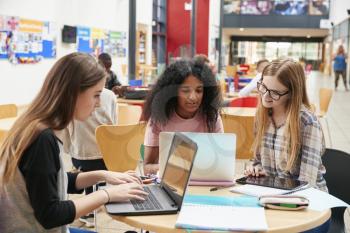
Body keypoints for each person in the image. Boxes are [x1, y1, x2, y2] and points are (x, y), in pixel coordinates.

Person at [0, 52, 147, 233]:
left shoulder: (36, 126)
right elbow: (50, 215)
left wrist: (103, 175)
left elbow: (55, 182)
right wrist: (106, 194)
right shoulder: (41, 139)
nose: (99, 104)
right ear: (73, 93)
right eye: (96, 95)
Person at [245, 58, 327, 190]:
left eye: (275, 92)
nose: (265, 96)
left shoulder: (307, 123)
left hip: (306, 198)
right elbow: (258, 161)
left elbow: (308, 183)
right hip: (272, 191)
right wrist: (255, 169)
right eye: (263, 87)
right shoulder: (262, 116)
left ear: (292, 93)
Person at [142, 59, 224, 175]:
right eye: (185, 91)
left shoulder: (211, 116)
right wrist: (174, 167)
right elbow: (147, 168)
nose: (193, 97)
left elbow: (221, 163)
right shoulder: (159, 117)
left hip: (205, 181)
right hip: (171, 182)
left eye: (199, 90)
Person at [61, 87, 117, 227]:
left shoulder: (70, 97)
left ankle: (91, 208)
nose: (98, 103)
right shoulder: (110, 95)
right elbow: (115, 127)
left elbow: (66, 143)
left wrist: (71, 150)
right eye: (96, 96)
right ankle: (93, 206)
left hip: (81, 157)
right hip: (107, 157)